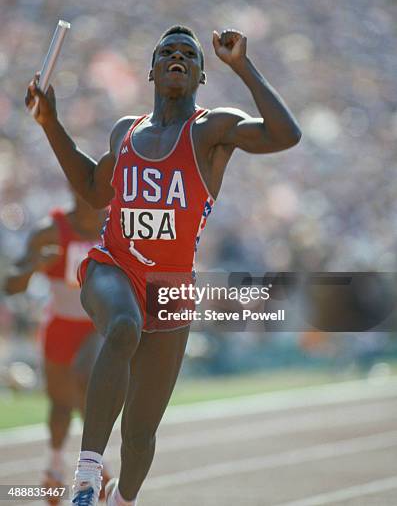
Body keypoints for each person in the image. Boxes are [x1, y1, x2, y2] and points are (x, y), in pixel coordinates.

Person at [25, 26, 301, 506]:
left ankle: (122, 499)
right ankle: (87, 477)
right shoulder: (126, 132)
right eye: (168, 53)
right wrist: (50, 122)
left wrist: (241, 65)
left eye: (189, 55)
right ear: (152, 70)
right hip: (113, 266)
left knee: (140, 433)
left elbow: (285, 135)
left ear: (200, 75)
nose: (178, 57)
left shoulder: (213, 128)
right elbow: (94, 189)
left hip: (171, 286)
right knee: (125, 327)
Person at [4, 192, 111, 503]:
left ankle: (94, 467)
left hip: (97, 322)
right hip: (61, 325)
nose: (101, 209)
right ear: (78, 196)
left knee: (85, 379)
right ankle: (54, 469)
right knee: (61, 404)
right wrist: (34, 266)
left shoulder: (114, 223)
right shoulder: (50, 230)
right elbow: (10, 285)